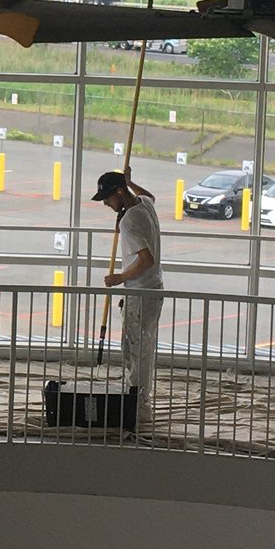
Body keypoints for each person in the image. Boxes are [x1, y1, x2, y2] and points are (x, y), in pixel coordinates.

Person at [93, 170, 164, 402]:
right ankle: (140, 397)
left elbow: (146, 259)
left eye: (107, 197)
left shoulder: (129, 221)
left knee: (136, 351)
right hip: (152, 289)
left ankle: (137, 402)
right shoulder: (144, 205)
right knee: (144, 347)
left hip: (141, 292)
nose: (105, 202)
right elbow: (149, 196)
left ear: (120, 192)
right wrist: (131, 181)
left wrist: (120, 278)